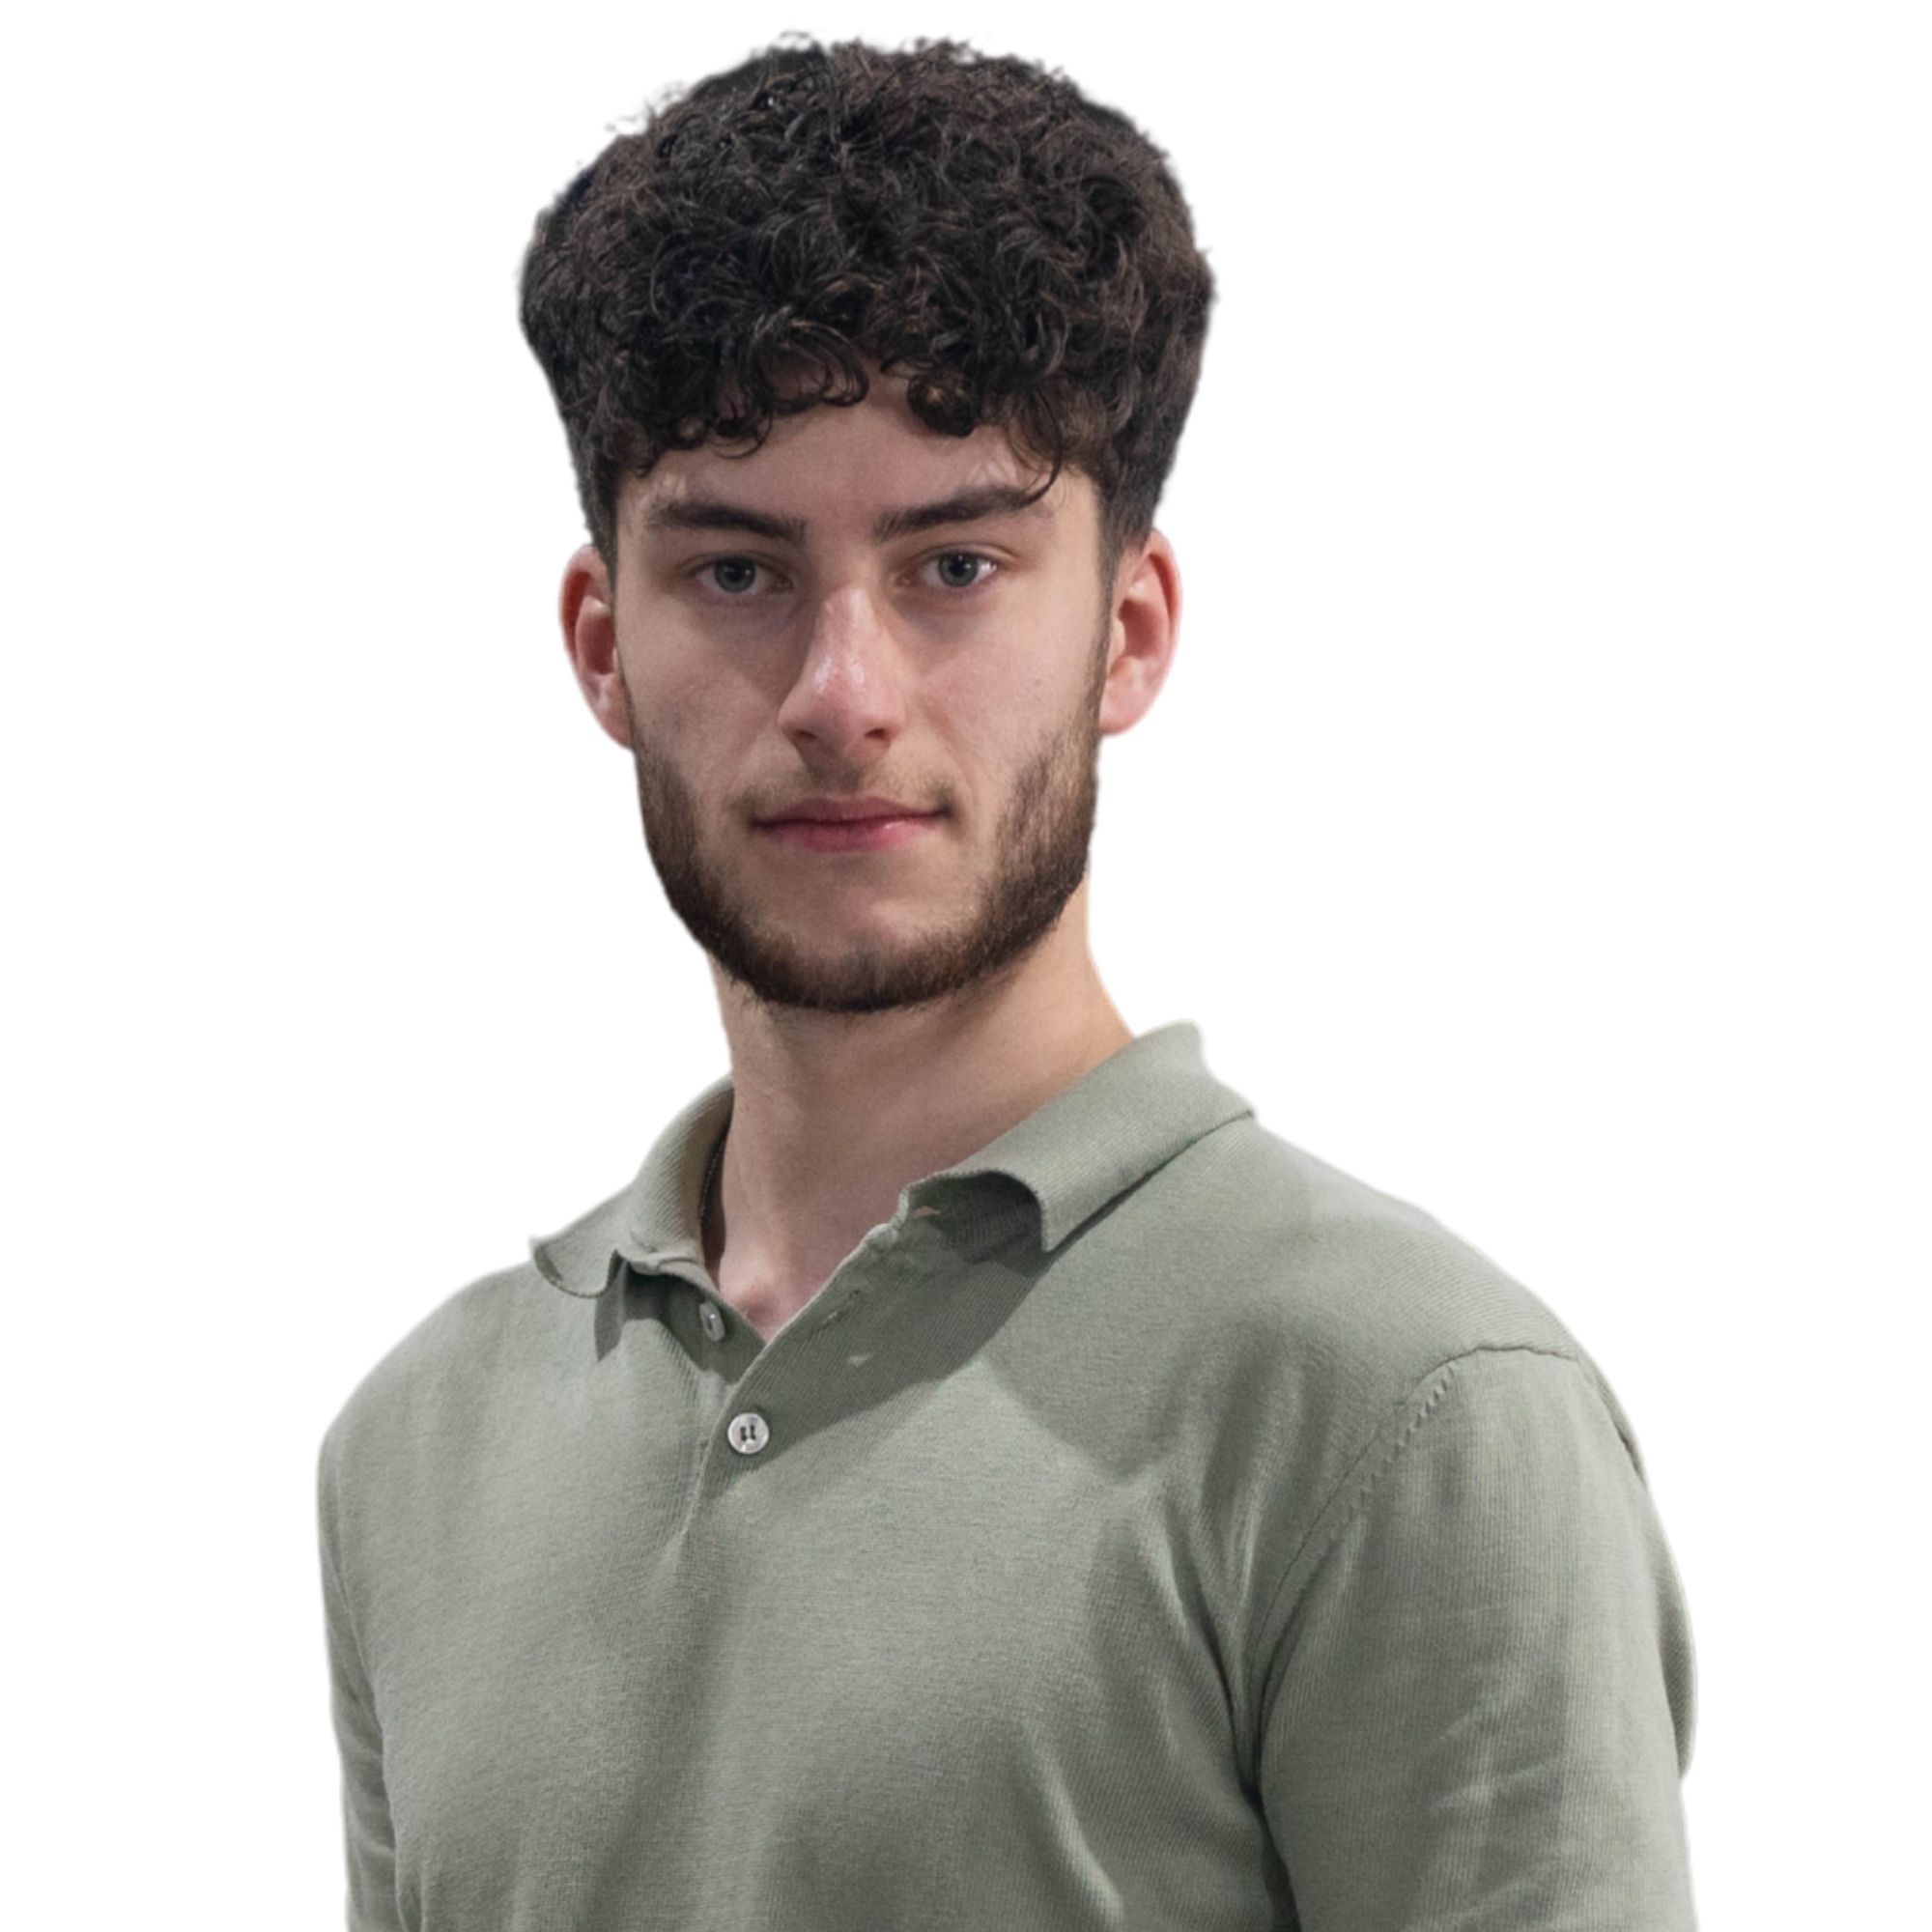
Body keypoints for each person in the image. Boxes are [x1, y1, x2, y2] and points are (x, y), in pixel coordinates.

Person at [316, 34, 1698, 1930]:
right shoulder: (420, 1445)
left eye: (955, 566)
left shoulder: (1410, 1413)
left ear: (1125, 632)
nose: (844, 694)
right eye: (736, 573)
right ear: (601, 641)